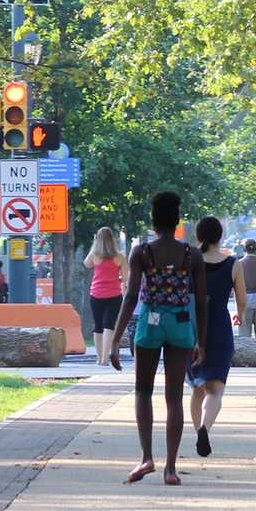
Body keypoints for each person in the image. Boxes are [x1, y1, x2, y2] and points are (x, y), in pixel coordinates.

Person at [109, 191, 207, 485]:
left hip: (149, 324)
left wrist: (115, 339)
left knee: (143, 392)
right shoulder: (192, 255)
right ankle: (171, 468)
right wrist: (201, 340)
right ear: (177, 220)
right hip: (180, 325)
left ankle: (147, 457)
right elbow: (201, 302)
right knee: (174, 397)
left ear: (153, 221)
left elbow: (129, 297)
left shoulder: (141, 252)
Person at [188, 216, 248, 457]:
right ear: (220, 236)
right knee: (215, 390)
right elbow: (241, 300)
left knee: (197, 387)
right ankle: (205, 427)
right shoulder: (233, 264)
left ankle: (198, 433)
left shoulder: (190, 261)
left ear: (199, 236)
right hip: (220, 328)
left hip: (192, 328)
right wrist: (240, 315)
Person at [83, 227, 127, 366]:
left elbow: (86, 264)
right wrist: (121, 284)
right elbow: (126, 276)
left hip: (96, 294)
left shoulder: (95, 255)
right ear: (112, 239)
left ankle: (98, 358)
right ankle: (105, 358)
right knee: (109, 326)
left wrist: (94, 244)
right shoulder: (119, 256)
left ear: (98, 239)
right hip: (114, 295)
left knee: (98, 326)